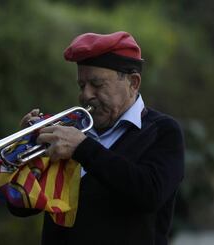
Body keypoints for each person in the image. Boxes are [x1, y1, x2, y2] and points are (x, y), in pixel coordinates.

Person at [13, 31, 185, 245]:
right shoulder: (71, 130)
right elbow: (21, 208)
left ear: (133, 83)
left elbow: (149, 194)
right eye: (82, 85)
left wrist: (83, 149)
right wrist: (26, 155)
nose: (86, 95)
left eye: (97, 84)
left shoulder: (163, 131)